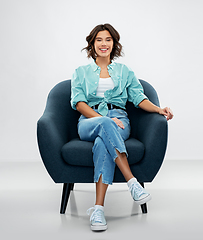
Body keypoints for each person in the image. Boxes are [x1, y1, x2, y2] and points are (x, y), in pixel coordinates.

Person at [71, 23, 173, 231]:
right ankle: (132, 182)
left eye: (108, 39)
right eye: (99, 39)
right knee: (103, 126)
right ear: (92, 44)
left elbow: (138, 97)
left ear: (114, 44)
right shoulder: (80, 72)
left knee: (102, 144)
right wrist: (103, 118)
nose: (103, 44)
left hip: (119, 118)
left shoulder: (125, 71)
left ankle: (98, 210)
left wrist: (158, 109)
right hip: (89, 121)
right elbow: (79, 103)